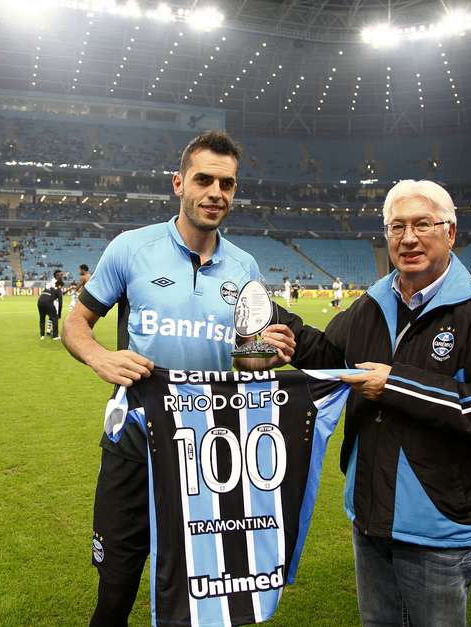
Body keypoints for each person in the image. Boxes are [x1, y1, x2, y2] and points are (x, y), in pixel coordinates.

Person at [243, 179, 471, 627]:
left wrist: (395, 385)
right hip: (370, 517)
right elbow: (331, 355)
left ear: (450, 232)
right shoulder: (373, 302)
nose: (409, 238)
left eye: (423, 224)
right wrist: (285, 331)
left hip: (439, 526)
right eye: (397, 227)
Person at [61, 130, 270, 627]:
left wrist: (267, 355)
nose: (216, 192)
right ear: (179, 183)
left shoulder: (246, 266)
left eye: (227, 183)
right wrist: (100, 359)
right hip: (134, 444)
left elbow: (250, 361)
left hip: (210, 454)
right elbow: (76, 324)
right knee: (115, 587)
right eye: (204, 179)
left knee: (200, 588)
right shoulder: (132, 249)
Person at [38, 270, 64, 340]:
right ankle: (55, 336)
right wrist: (59, 314)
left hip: (40, 300)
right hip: (48, 302)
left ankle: (42, 335)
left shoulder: (50, 283)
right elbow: (60, 301)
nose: (61, 276)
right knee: (55, 318)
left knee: (42, 318)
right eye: (60, 275)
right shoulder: (58, 286)